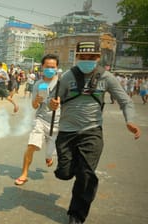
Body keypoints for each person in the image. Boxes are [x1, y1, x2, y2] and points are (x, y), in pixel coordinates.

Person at [49, 41, 141, 224]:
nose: (87, 60)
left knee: (86, 175)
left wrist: (129, 120)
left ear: (98, 58)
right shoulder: (68, 77)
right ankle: (76, 168)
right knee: (65, 173)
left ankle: (76, 215)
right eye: (83, 57)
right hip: (67, 132)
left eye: (91, 57)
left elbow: (125, 101)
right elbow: (52, 99)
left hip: (92, 132)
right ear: (77, 57)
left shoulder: (106, 78)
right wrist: (52, 103)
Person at [15, 54, 60, 185]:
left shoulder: (62, 83)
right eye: (48, 67)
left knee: (50, 154)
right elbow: (34, 106)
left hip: (57, 123)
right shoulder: (38, 85)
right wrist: (37, 100)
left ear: (57, 68)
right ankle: (24, 174)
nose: (50, 69)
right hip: (41, 119)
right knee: (31, 146)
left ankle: (48, 156)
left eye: (53, 67)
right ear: (42, 67)